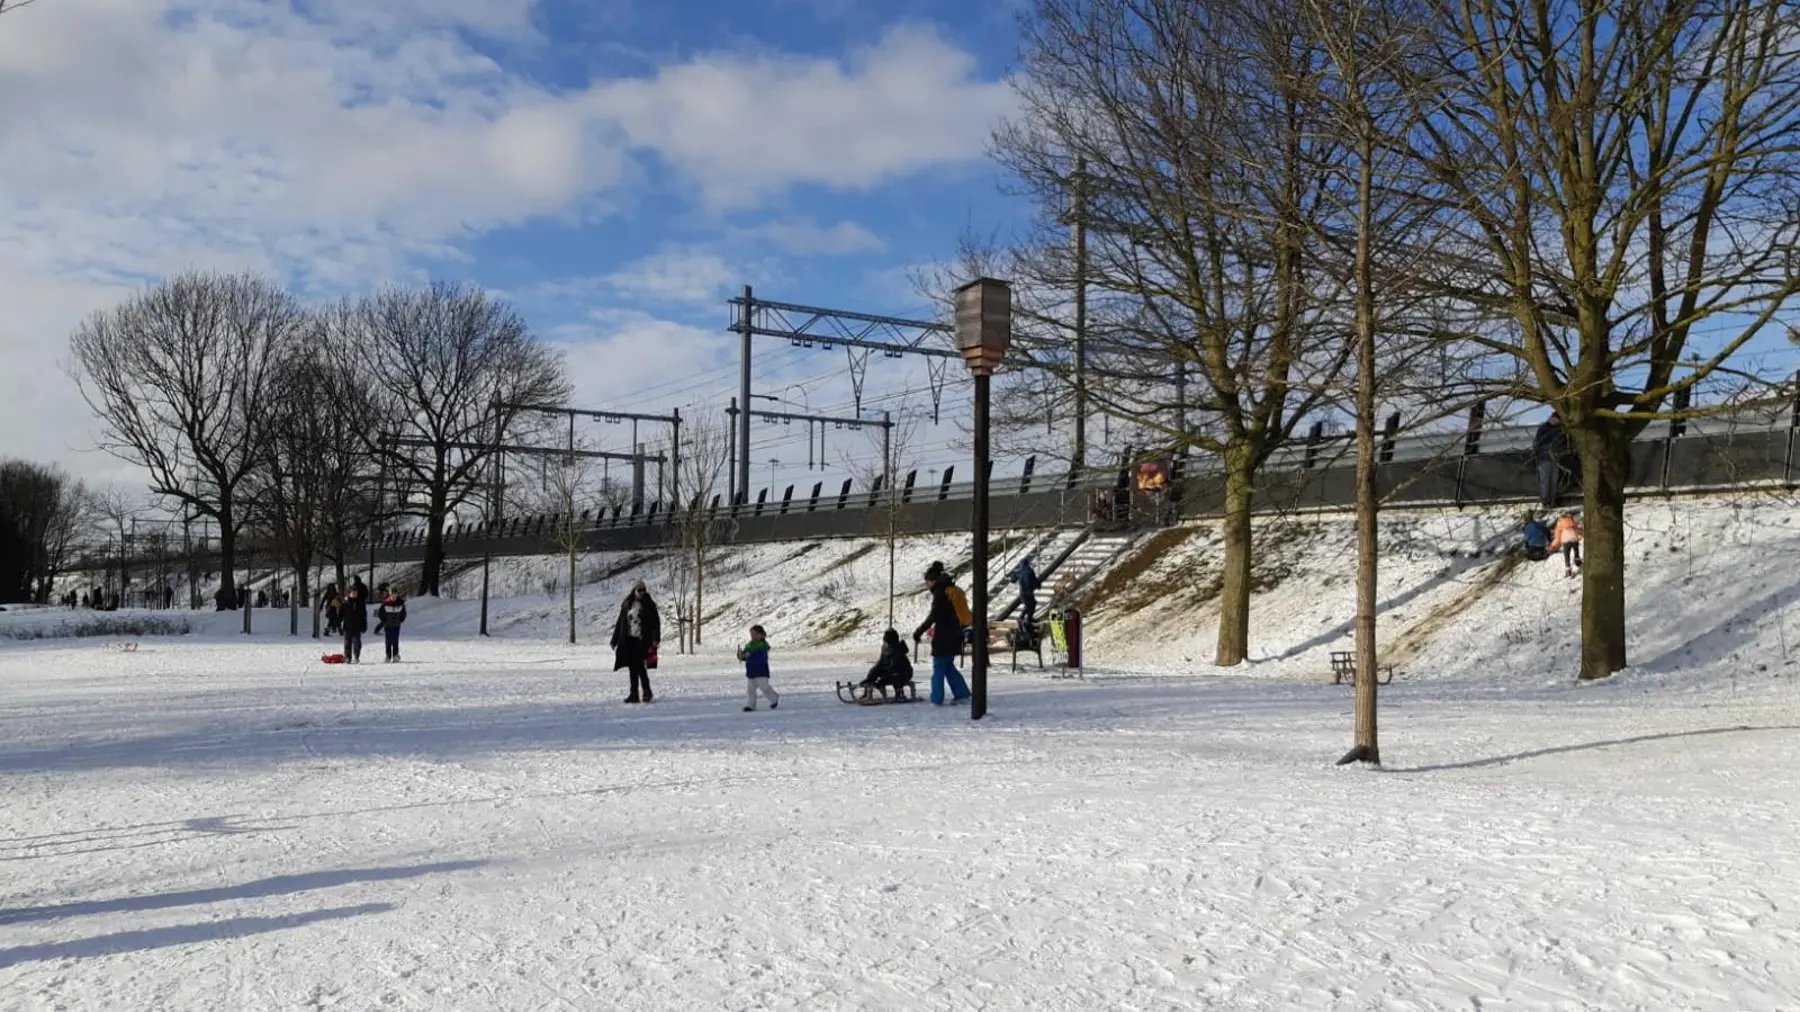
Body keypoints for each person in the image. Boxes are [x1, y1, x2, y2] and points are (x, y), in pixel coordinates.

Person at [913, 563, 972, 706]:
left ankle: (936, 698)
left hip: (944, 637)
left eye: (927, 581)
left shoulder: (940, 593)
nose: (926, 585)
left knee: (939, 668)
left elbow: (934, 616)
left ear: (932, 581)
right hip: (955, 634)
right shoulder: (947, 590)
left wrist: (919, 631)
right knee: (948, 667)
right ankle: (962, 694)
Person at [611, 581, 661, 703]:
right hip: (629, 639)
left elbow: (655, 623)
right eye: (639, 590)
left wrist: (656, 639)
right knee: (633, 667)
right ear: (634, 591)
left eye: (644, 590)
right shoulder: (627, 604)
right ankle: (636, 693)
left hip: (642, 639)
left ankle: (645, 692)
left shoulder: (649, 604)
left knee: (639, 665)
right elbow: (620, 623)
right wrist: (615, 639)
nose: (642, 592)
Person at [858, 628, 914, 701]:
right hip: (891, 671)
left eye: (885, 640)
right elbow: (881, 663)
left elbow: (895, 668)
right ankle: (868, 691)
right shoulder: (885, 649)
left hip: (903, 673)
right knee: (875, 671)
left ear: (890, 642)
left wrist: (882, 680)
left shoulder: (898, 650)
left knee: (894, 676)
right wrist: (871, 676)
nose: (884, 642)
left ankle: (899, 693)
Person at [737, 624, 780, 712]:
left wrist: (749, 655)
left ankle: (774, 698)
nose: (752, 636)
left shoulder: (762, 645)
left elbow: (761, 657)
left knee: (764, 687)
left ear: (760, 634)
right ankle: (751, 705)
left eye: (754, 634)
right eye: (751, 634)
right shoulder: (749, 644)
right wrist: (741, 655)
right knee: (750, 690)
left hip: (761, 670)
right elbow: (745, 655)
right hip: (751, 671)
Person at [1533, 411, 1571, 507]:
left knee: (1554, 480)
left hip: (1555, 458)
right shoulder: (1544, 429)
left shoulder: (1559, 429)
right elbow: (1538, 443)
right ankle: (1546, 501)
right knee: (1546, 480)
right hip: (1545, 458)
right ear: (1553, 418)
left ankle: (1552, 501)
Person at [341, 576, 369, 663]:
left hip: (357, 625)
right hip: (348, 625)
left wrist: (364, 623)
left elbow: (364, 614)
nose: (354, 594)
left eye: (355, 592)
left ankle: (356, 656)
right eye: (352, 593)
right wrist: (338, 623)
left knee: (357, 642)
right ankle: (347, 657)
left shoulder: (360, 603)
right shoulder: (346, 603)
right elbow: (341, 614)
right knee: (347, 643)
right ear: (349, 593)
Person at [1009, 556, 1040, 636]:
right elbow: (1034, 580)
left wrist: (1012, 576)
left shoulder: (1019, 571)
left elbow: (1013, 580)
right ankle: (1024, 620)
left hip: (1022, 593)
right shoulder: (1030, 571)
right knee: (1031, 605)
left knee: (1030, 605)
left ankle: (1026, 619)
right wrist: (1038, 585)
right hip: (1029, 592)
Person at [375, 587, 407, 661]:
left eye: (395, 594)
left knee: (395, 640)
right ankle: (388, 656)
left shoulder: (400, 603)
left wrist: (401, 620)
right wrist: (384, 621)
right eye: (392, 594)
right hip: (388, 625)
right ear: (390, 594)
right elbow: (380, 613)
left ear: (397, 594)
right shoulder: (385, 603)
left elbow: (403, 613)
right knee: (388, 641)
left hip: (396, 625)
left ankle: (395, 655)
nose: (393, 596)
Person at [1551, 511, 1584, 578]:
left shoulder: (1559, 523)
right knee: (1576, 551)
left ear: (1560, 516)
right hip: (1574, 539)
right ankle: (1577, 561)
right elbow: (1578, 530)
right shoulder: (1572, 521)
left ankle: (1568, 570)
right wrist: (1585, 534)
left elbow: (1558, 537)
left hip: (1566, 541)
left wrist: (1553, 545)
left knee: (1567, 555)